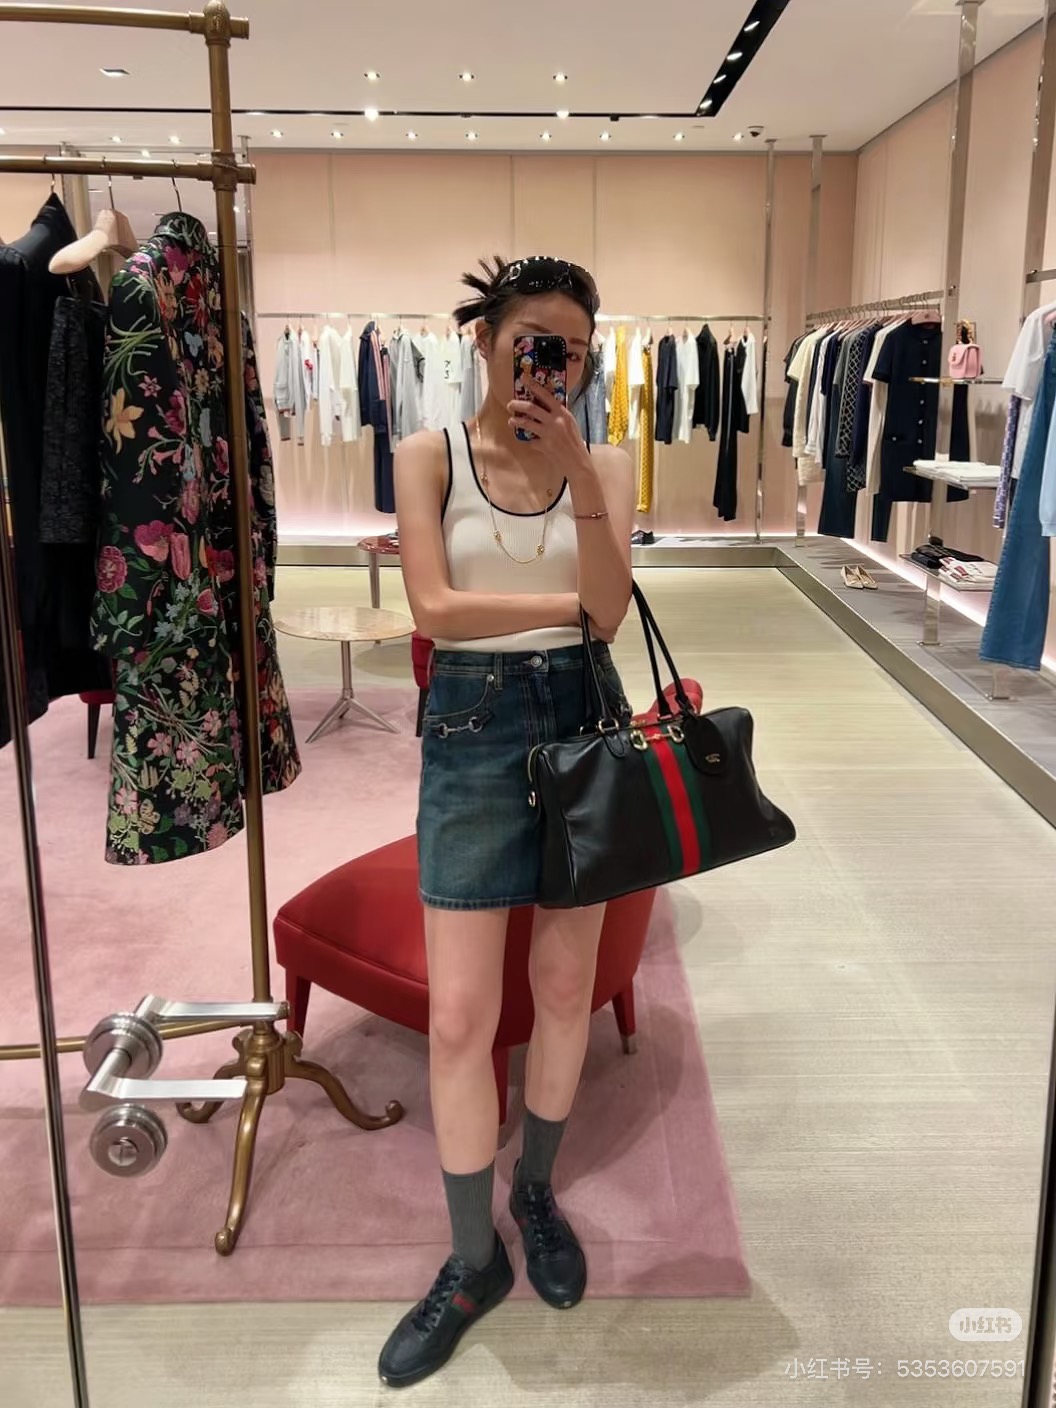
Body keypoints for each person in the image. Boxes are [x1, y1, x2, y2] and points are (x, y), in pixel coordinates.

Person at [378, 256, 635, 1388]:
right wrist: (563, 606)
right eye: (532, 340)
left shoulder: (605, 463)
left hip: (582, 718)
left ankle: (535, 1192)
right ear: (485, 339)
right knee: (460, 1019)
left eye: (569, 349)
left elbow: (611, 615)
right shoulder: (428, 455)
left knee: (566, 989)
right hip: (471, 727)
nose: (549, 364)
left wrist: (579, 476)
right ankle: (471, 1259)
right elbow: (433, 608)